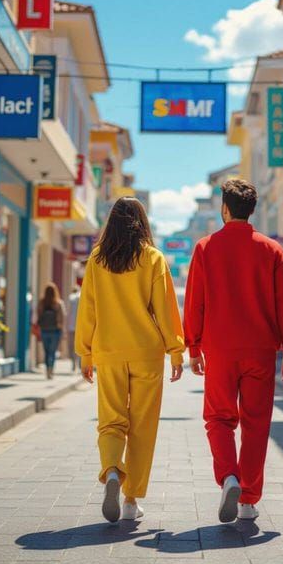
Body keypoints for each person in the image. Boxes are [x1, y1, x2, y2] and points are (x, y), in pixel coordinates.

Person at [183, 178, 283, 524]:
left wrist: (193, 346)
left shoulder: (205, 248)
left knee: (218, 418)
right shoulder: (272, 250)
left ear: (224, 209)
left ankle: (228, 477)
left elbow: (195, 301)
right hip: (261, 350)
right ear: (253, 210)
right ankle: (249, 500)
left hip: (218, 348)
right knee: (256, 422)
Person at [75, 197, 184, 524]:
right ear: (141, 222)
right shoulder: (153, 257)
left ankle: (111, 470)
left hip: (108, 349)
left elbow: (88, 310)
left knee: (111, 420)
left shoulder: (96, 260)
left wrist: (85, 353)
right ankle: (131, 498)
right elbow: (165, 309)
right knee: (142, 426)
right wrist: (176, 350)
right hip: (145, 353)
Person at [36, 284, 65, 379]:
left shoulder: (42, 302)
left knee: (46, 351)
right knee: (52, 352)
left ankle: (47, 370)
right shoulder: (58, 303)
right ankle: (51, 370)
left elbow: (38, 315)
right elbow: (62, 317)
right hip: (55, 331)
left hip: (44, 330)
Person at [67, 281, 81, 371]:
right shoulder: (81, 297)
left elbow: (67, 313)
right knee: (79, 346)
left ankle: (73, 363)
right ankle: (79, 363)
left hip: (71, 326)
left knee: (71, 346)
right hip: (80, 326)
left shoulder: (70, 298)